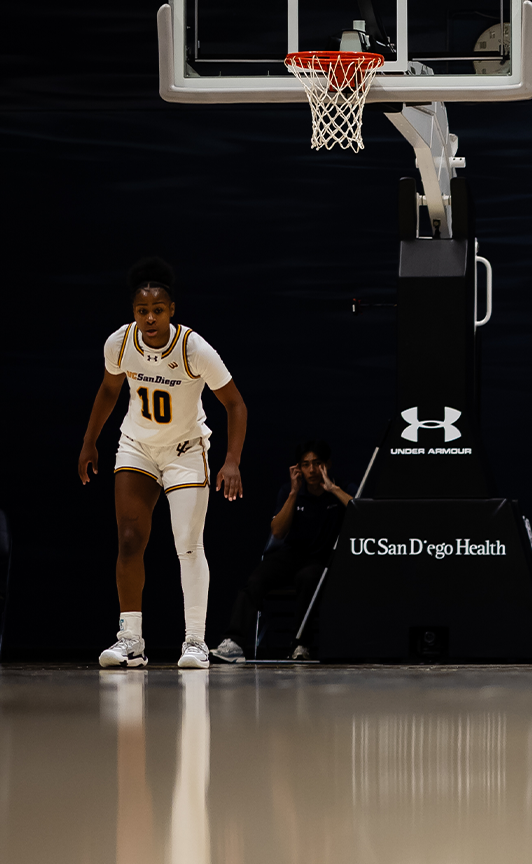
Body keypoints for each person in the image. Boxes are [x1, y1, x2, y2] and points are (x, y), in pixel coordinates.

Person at [79, 258, 248, 669]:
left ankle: (194, 641)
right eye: (142, 311)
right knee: (130, 539)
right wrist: (89, 442)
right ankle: (130, 639)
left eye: (157, 310)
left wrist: (231, 461)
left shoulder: (193, 348)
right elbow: (107, 390)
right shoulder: (120, 343)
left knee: (187, 546)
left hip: (186, 451)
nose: (149, 318)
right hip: (137, 445)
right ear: (133, 313)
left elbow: (235, 404)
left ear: (171, 311)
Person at [211, 440, 349, 661]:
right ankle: (234, 642)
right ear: (298, 468)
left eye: (317, 463)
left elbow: (361, 514)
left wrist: (333, 489)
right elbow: (277, 531)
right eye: (306, 464)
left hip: (321, 559)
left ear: (327, 465)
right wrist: (294, 493)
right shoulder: (290, 491)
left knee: (309, 579)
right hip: (291, 555)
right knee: (257, 579)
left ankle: (300, 645)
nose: (312, 470)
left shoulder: (340, 489)